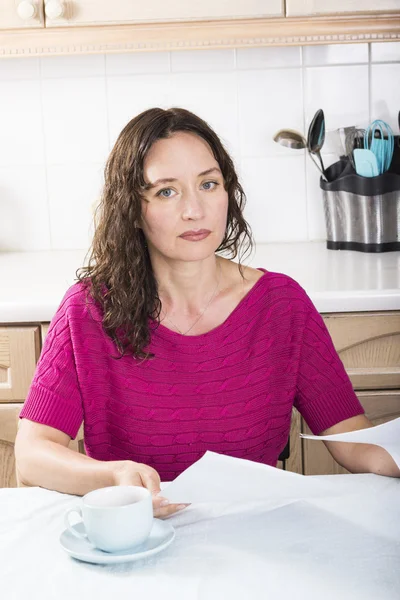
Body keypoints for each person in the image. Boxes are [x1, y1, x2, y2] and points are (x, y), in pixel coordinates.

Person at [15, 107, 399, 519]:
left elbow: (352, 440)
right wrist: (114, 477)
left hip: (256, 540)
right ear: (131, 209)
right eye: (166, 191)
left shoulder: (282, 305)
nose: (194, 210)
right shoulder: (88, 310)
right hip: (138, 540)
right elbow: (31, 456)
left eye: (208, 184)